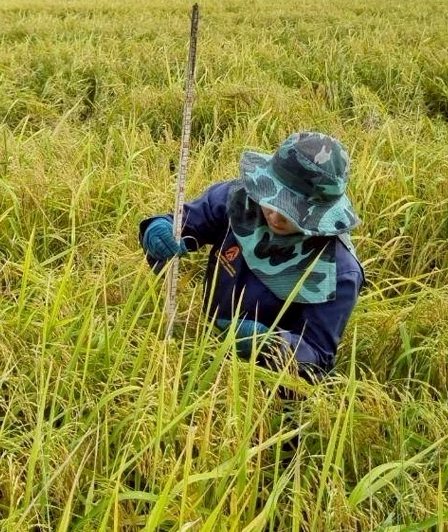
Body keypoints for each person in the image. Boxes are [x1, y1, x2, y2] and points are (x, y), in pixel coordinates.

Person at [139, 131, 365, 381]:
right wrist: (160, 228)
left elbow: (317, 356)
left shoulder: (339, 272)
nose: (276, 217)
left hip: (261, 384)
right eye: (273, 200)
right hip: (206, 340)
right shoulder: (239, 198)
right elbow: (188, 223)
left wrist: (267, 343)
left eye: (292, 211)